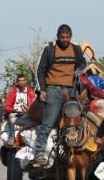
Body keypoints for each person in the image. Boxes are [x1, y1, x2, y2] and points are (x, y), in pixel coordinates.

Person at [32, 24, 86, 166]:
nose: (64, 40)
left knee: (73, 122)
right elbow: (40, 70)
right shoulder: (50, 48)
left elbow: (82, 63)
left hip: (71, 91)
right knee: (48, 124)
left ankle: (74, 152)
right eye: (62, 37)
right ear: (58, 36)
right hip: (53, 90)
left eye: (67, 37)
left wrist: (79, 70)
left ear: (70, 37)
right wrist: (42, 90)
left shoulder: (76, 48)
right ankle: (39, 154)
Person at [3, 74, 35, 142]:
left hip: (26, 113)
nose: (21, 82)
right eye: (19, 81)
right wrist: (13, 110)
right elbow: (6, 106)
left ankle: (32, 140)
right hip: (15, 113)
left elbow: (33, 106)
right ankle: (11, 138)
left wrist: (29, 108)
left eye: (23, 80)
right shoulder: (13, 91)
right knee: (11, 118)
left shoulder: (30, 92)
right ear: (17, 82)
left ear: (26, 81)